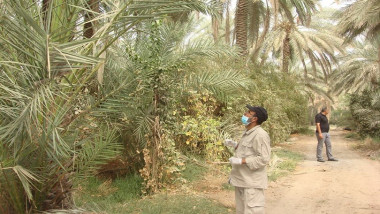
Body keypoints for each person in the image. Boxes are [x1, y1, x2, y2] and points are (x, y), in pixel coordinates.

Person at [224, 105, 270, 214]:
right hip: (241, 180)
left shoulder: (260, 135)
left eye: (249, 112)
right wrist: (235, 145)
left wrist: (241, 161)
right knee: (241, 211)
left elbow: (264, 158)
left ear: (254, 119)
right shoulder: (248, 132)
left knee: (252, 211)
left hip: (252, 184)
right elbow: (249, 151)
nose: (245, 114)